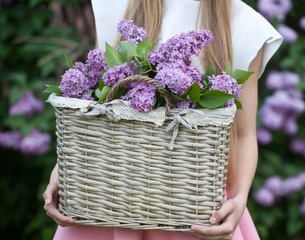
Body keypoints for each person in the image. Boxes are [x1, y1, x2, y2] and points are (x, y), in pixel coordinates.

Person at [43, 0, 283, 239]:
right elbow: (94, 108)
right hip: (109, 202)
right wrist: (62, 170)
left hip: (193, 211)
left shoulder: (243, 25)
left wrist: (239, 200)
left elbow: (244, 134)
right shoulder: (117, 6)